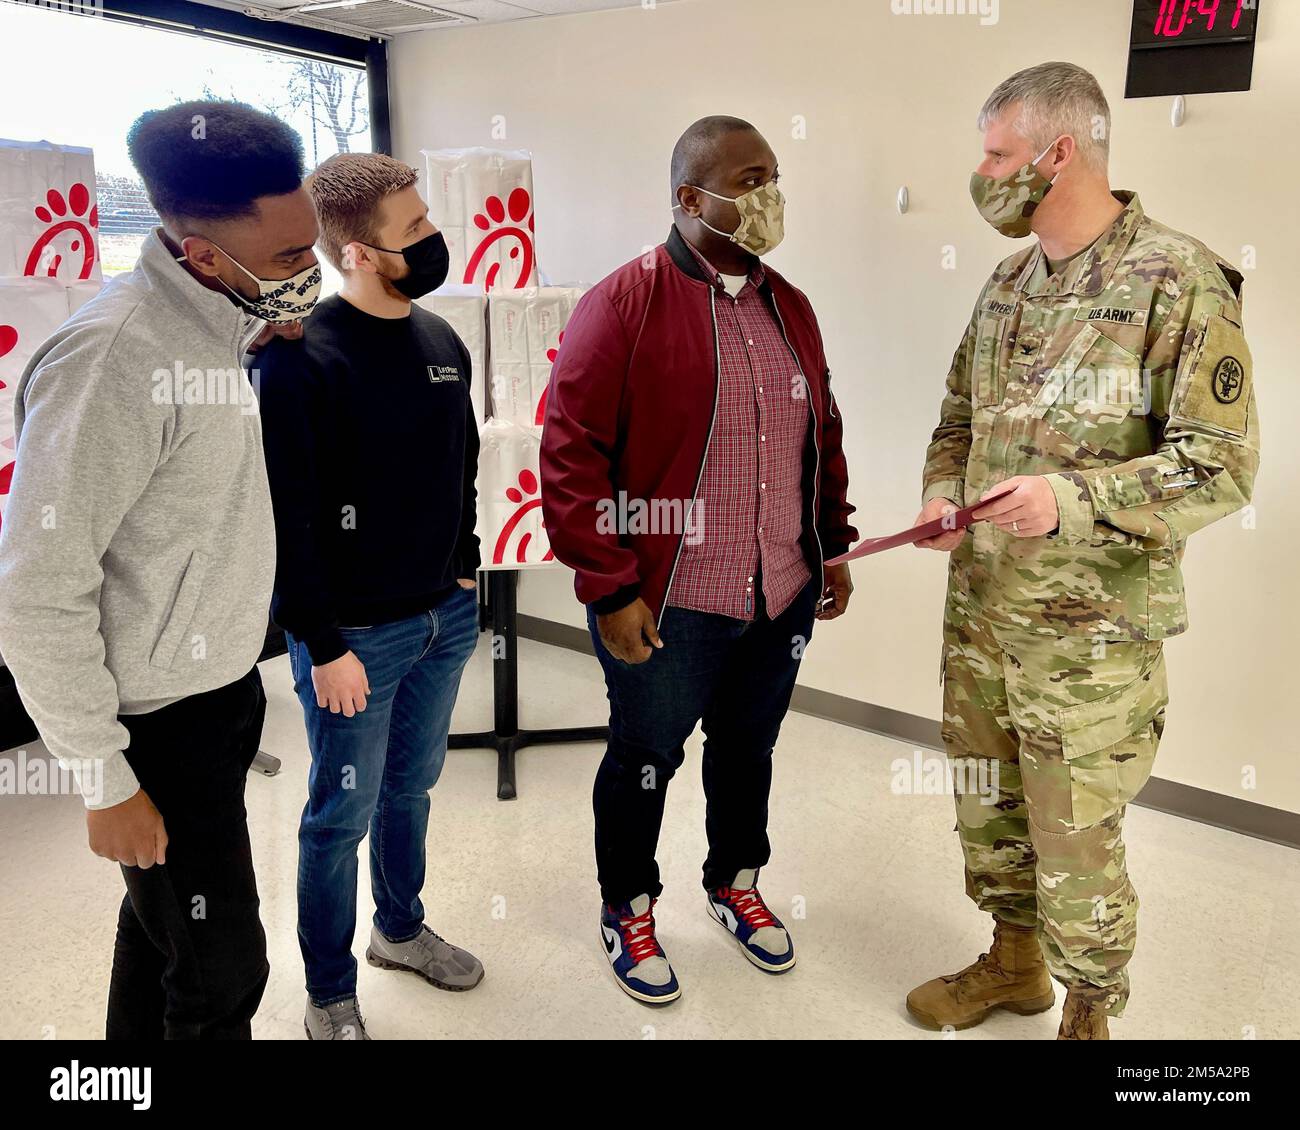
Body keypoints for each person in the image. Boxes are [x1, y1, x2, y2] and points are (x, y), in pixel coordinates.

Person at [908, 62, 1260, 1039]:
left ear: (1059, 152)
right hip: (981, 620)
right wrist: (943, 494)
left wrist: (1069, 502)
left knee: (1076, 840)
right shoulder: (1006, 281)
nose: (981, 173)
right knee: (988, 805)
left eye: (995, 154)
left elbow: (1221, 466)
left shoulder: (1179, 281)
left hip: (1088, 642)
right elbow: (956, 418)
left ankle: (1089, 1014)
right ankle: (1013, 965)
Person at [0, 100, 320, 1038]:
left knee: (163, 942)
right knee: (224, 973)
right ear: (202, 253)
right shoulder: (111, 360)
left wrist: (256, 334)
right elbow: (36, 589)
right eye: (294, 256)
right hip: (155, 728)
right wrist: (103, 778)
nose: (314, 272)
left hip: (218, 693)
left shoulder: (220, 319)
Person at [540, 116, 857, 1004]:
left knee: (748, 749)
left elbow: (819, 433)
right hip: (669, 599)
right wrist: (608, 587)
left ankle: (734, 883)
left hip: (779, 590)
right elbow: (570, 454)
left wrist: (831, 545)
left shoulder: (787, 304)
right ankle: (628, 904)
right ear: (690, 198)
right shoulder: (627, 300)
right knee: (646, 753)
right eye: (749, 180)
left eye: (775, 176)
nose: (770, 197)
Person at [256, 153, 483, 1041]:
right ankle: (328, 991)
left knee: (413, 789)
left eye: (427, 220)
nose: (432, 238)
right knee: (336, 815)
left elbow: (459, 465)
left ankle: (399, 929)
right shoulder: (300, 358)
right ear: (356, 252)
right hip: (354, 636)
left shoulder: (440, 340)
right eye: (414, 230)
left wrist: (464, 565)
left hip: (444, 617)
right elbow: (287, 516)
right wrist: (321, 641)